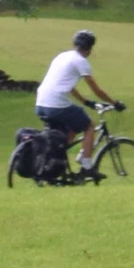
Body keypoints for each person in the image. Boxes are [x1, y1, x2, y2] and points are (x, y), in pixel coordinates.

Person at [34, 31, 114, 176]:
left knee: (68, 130)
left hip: (41, 104)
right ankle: (87, 167)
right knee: (89, 126)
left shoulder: (62, 56)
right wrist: (114, 103)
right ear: (90, 49)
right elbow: (96, 90)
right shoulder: (80, 61)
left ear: (75, 44)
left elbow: (67, 85)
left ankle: (55, 161)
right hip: (56, 105)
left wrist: (85, 101)